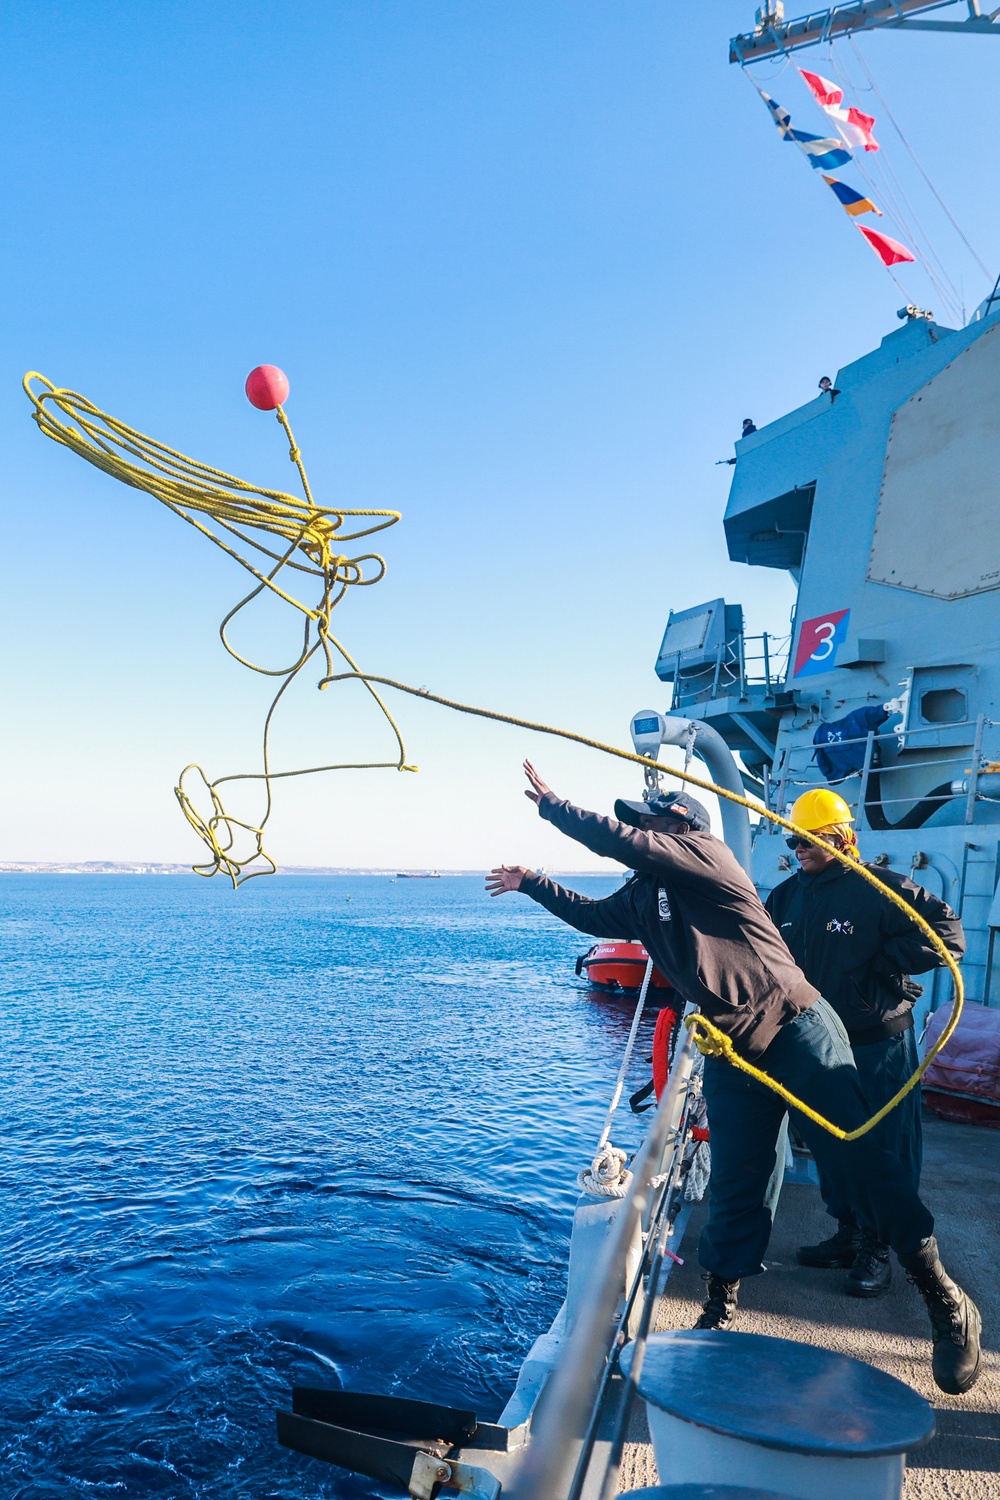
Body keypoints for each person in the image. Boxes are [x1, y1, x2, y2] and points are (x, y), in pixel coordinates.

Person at [485, 761, 982, 1396]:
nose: (641, 829)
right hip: (732, 1047)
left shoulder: (711, 859)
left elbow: (626, 840)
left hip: (796, 1026)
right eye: (639, 823)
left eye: (652, 821)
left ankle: (941, 1295)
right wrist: (534, 882)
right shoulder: (646, 896)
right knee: (737, 1177)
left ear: (685, 828)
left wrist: (557, 807)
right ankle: (720, 1305)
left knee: (859, 1161)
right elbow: (594, 918)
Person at [765, 789, 965, 1298]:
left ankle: (880, 1247)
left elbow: (948, 934)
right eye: (794, 839)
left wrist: (882, 962)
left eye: (811, 838)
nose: (799, 847)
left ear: (843, 837)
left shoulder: (882, 889)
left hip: (878, 1045)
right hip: (817, 1045)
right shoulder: (786, 897)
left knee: (884, 1148)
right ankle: (849, 1232)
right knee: (832, 1144)